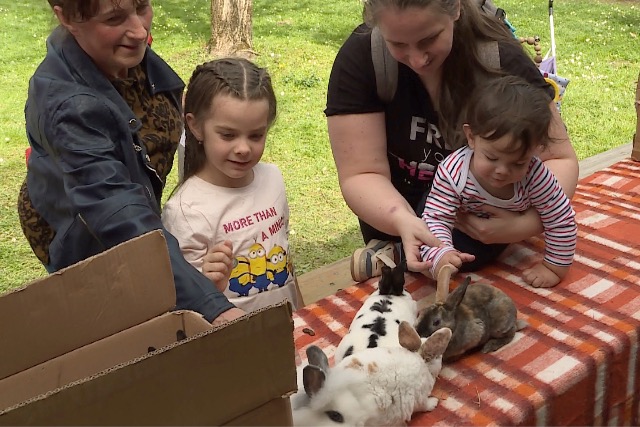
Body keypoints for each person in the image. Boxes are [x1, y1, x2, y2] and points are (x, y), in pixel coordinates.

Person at [17, 0, 243, 326]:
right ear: (66, 16)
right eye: (114, 18)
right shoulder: (68, 107)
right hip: (82, 234)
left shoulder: (112, 50)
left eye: (142, 6)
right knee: (131, 330)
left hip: (133, 214)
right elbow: (118, 214)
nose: (140, 31)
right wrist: (214, 307)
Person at [326, 0, 579, 281]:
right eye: (398, 44)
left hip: (478, 227)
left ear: (456, 9)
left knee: (468, 254)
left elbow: (559, 158)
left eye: (429, 39)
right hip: (395, 218)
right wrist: (406, 223)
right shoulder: (362, 57)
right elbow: (361, 173)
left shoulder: (498, 56)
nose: (418, 59)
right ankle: (397, 251)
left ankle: (393, 256)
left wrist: (523, 226)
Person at [162, 58, 303, 313]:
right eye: (227, 135)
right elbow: (181, 309)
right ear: (195, 126)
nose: (243, 149)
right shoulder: (185, 210)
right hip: (232, 343)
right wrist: (208, 282)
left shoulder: (272, 179)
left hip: (290, 329)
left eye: (256, 135)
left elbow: (287, 265)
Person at [421, 76, 577, 288]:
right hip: (459, 220)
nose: (502, 171)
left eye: (518, 163)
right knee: (426, 233)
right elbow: (436, 218)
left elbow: (561, 218)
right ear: (471, 137)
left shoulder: (536, 175)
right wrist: (442, 252)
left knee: (474, 258)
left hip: (502, 230)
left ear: (536, 150)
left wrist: (553, 267)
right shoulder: (453, 172)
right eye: (492, 158)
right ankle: (396, 252)